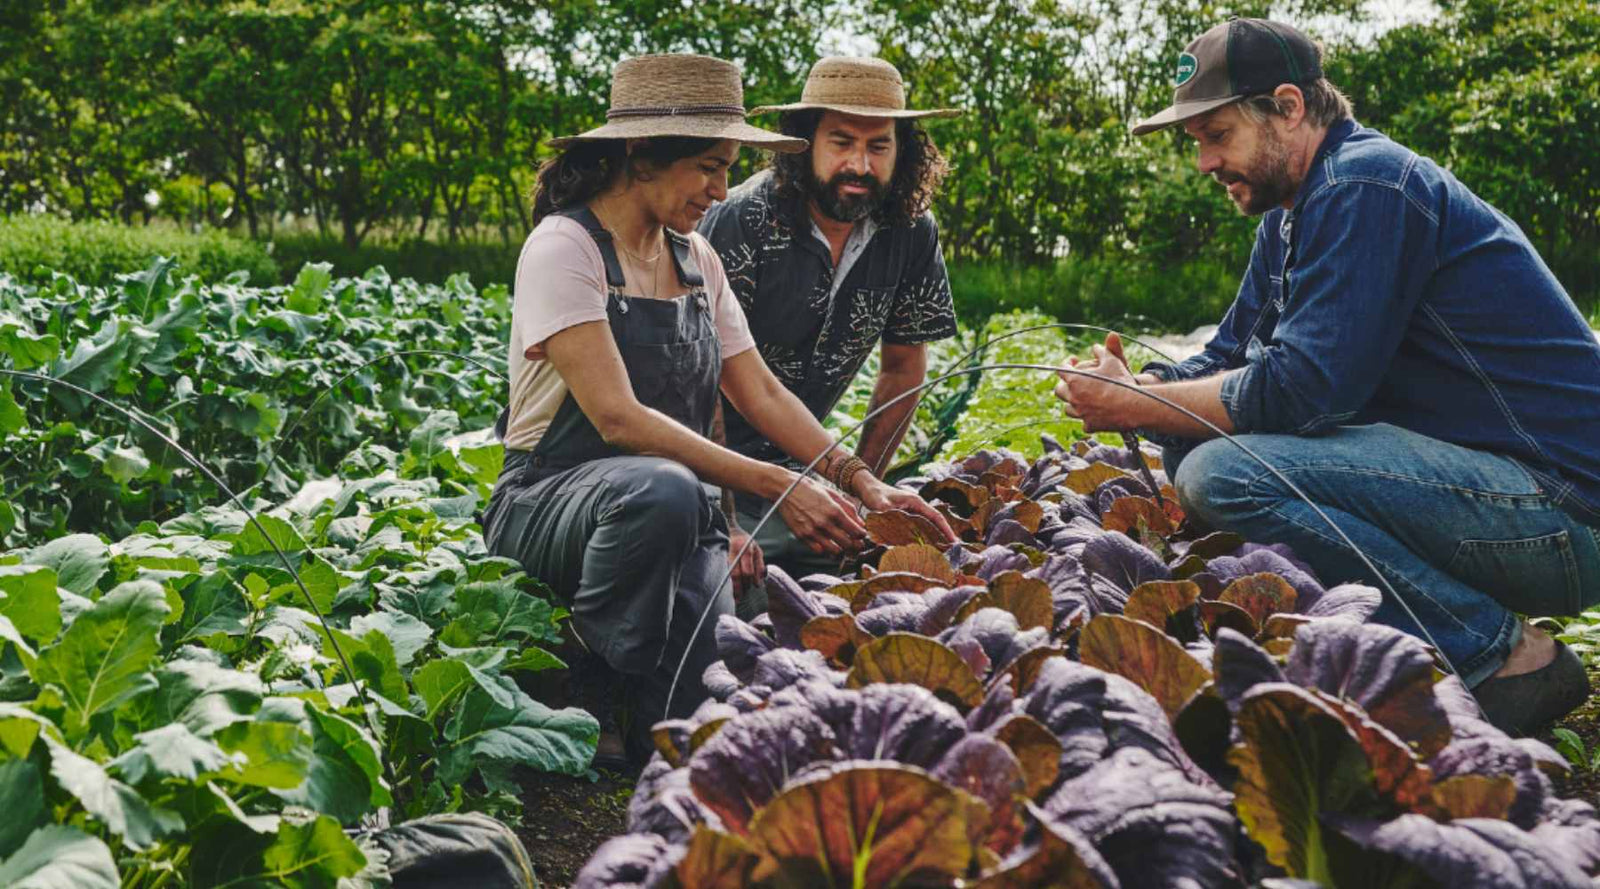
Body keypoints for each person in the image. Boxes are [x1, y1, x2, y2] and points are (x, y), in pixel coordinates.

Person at [1055, 18, 1600, 734]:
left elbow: (1301, 393)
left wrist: (1140, 403)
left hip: (1560, 513)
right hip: (1489, 496)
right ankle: (1440, 642)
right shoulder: (1292, 215)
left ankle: (1501, 656)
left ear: (1288, 106)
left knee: (1225, 472)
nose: (1203, 163)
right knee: (1193, 443)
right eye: (1196, 143)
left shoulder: (1367, 184)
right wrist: (1139, 382)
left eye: (1216, 135)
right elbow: (1227, 355)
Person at [480, 53, 952, 764]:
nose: (720, 188)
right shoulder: (565, 248)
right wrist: (777, 484)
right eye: (707, 166)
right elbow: (618, 420)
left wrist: (856, 478)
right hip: (548, 502)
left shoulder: (697, 257)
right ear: (639, 154)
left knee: (694, 712)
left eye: (728, 167)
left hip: (676, 507)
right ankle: (576, 670)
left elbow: (756, 391)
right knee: (662, 490)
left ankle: (635, 701)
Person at [698, 56, 961, 597]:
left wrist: (868, 489)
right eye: (841, 142)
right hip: (711, 467)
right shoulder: (741, 219)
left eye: (879, 146)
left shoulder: (909, 231)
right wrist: (724, 520)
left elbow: (904, 367)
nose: (860, 164)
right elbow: (700, 381)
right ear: (804, 142)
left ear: (903, 150)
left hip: (812, 464)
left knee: (878, 559)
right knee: (738, 590)